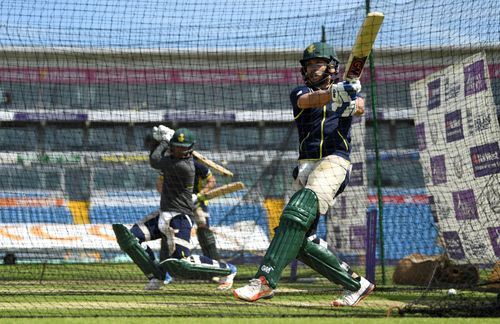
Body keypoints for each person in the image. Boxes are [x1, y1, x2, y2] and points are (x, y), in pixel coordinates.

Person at [233, 40, 374, 307]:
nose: (312, 69)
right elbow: (307, 100)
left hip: (334, 162)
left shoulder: (344, 92)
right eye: (309, 65)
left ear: (332, 67)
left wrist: (350, 98)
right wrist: (337, 93)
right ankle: (357, 285)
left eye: (317, 64)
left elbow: (360, 107)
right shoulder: (301, 92)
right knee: (296, 237)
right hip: (306, 166)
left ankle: (263, 281)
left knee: (296, 213)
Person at [113, 127, 236, 291]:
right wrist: (160, 141)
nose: (179, 150)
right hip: (162, 215)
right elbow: (158, 158)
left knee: (181, 262)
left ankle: (227, 270)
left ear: (190, 148)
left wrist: (163, 141)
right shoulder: (173, 161)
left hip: (179, 219)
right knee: (131, 237)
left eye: (183, 147)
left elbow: (155, 160)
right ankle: (158, 276)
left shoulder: (185, 166)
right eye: (177, 146)